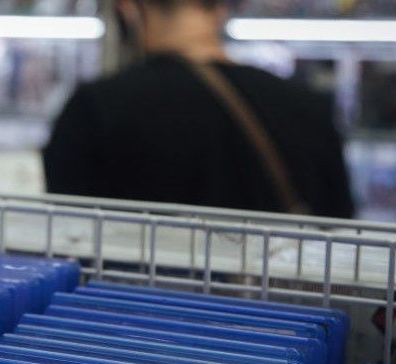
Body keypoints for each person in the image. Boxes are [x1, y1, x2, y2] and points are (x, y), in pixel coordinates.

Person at [43, 0, 355, 218]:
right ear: (219, 10)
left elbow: (67, 228)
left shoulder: (96, 107)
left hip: (139, 307)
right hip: (278, 309)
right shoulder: (307, 106)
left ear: (128, 9)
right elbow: (338, 225)